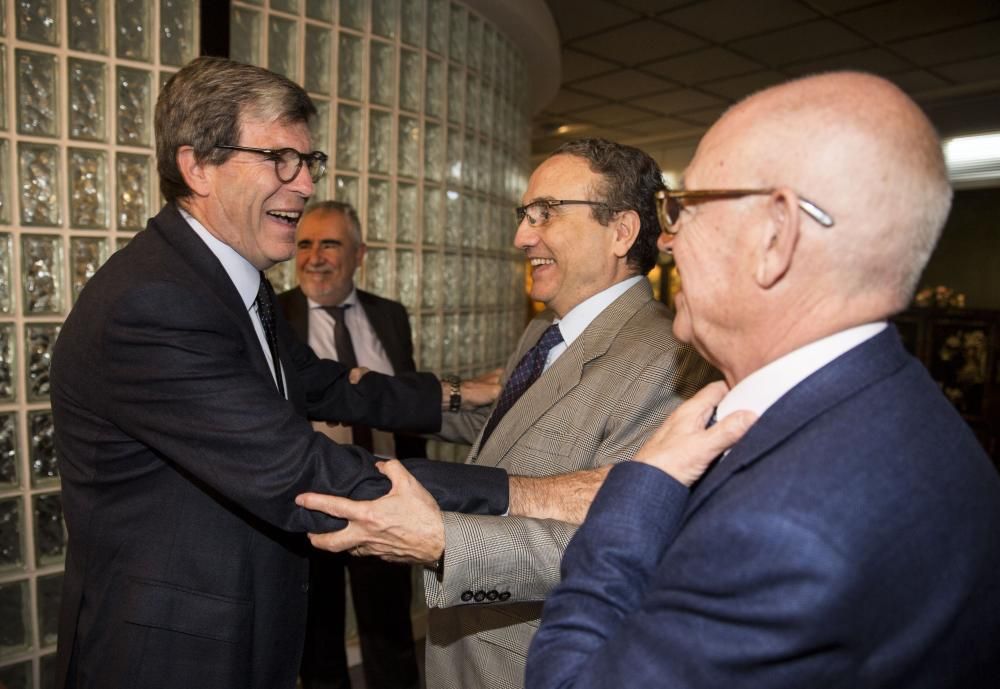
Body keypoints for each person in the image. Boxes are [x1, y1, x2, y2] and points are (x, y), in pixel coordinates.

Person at [49, 57, 512, 689]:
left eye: (308, 162)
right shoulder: (153, 302)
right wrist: (529, 494)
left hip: (241, 625)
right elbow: (299, 470)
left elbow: (324, 383)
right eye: (279, 160)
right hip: (168, 653)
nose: (302, 185)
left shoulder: (236, 285)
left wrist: (464, 391)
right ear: (198, 166)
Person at [525, 71, 1000, 688]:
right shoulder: (910, 411)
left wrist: (642, 483)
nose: (667, 241)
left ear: (775, 236)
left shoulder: (780, 532)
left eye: (685, 208)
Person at [297, 138, 719, 688]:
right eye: (525, 215)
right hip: (463, 651)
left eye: (546, 213)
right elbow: (509, 430)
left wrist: (442, 540)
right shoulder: (544, 331)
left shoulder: (666, 361)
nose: (523, 236)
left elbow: (624, 543)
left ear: (621, 231)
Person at [278, 201, 423, 689]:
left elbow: (404, 406)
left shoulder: (391, 316)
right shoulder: (274, 318)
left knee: (390, 632)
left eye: (330, 244)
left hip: (385, 499)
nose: (314, 256)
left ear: (359, 254)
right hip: (308, 504)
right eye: (304, 244)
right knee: (316, 640)